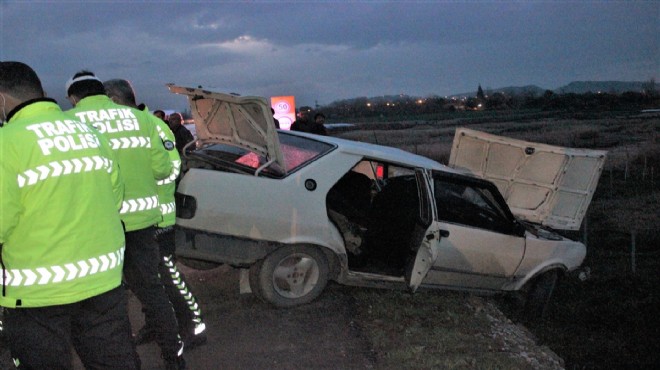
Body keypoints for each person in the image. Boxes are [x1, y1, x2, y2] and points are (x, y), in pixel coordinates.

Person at [0, 61, 139, 369]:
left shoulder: (6, 144)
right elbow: (114, 196)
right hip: (103, 280)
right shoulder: (89, 133)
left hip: (37, 293)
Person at [65, 71, 185, 369]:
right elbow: (162, 169)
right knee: (153, 293)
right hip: (143, 224)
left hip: (99, 227)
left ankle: (129, 361)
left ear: (73, 98)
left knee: (110, 302)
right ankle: (175, 358)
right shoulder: (141, 120)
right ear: (105, 94)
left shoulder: (70, 124)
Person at [103, 78, 207, 349]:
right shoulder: (124, 127)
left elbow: (172, 169)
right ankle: (157, 325)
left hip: (158, 218)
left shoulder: (154, 125)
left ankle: (194, 326)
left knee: (168, 275)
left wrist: (142, 184)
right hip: (136, 220)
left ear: (113, 99)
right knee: (146, 281)